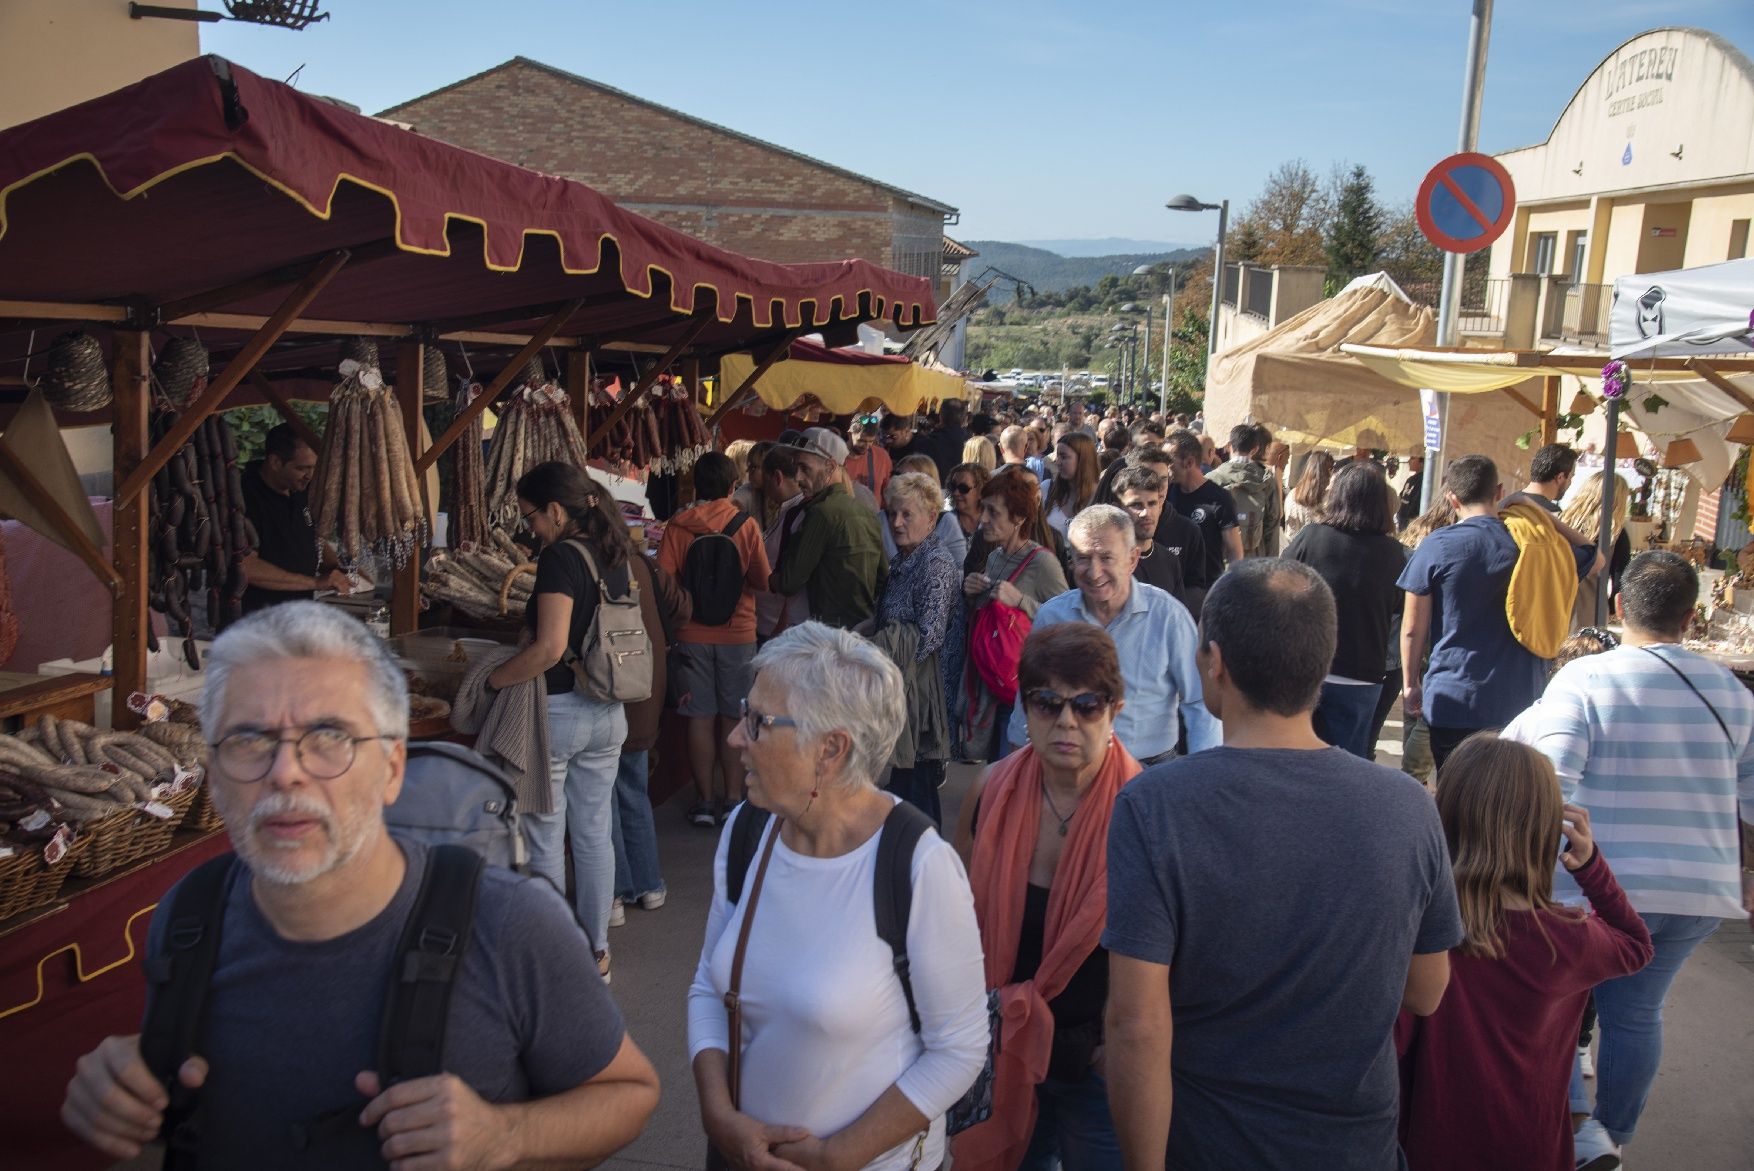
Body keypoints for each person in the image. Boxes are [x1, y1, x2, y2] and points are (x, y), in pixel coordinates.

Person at [60, 602, 660, 1167]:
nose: (286, 773)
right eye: (249, 740)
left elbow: (629, 1093)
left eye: (330, 738)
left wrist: (505, 1137)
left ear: (392, 770)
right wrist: (126, 1087)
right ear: (213, 778)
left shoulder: (510, 926)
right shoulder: (188, 918)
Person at [1103, 559, 1463, 1171]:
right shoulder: (1407, 807)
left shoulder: (1155, 805)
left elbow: (1135, 1025)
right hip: (1355, 1147)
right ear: (1322, 667)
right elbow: (1427, 992)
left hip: (1206, 1145)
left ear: (1215, 661)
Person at [687, 623, 989, 1171]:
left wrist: (835, 1157)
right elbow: (710, 985)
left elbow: (960, 1048)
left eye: (757, 721)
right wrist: (719, 1119)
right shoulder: (747, 831)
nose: (735, 737)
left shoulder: (917, 865)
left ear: (830, 749)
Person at [1502, 551, 1754, 1168]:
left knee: (1560, 1007)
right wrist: (1747, 877)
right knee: (1637, 1015)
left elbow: (1550, 785)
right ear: (1691, 618)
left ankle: (1566, 1129)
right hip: (1697, 891)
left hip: (1596, 889)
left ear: (1616, 606)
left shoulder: (1586, 680)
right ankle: (1606, 1137)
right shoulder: (1735, 693)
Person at [1398, 734, 1652, 1171]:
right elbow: (1636, 945)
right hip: (1532, 1146)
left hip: (1428, 1145)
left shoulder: (1418, 930)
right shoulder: (1570, 938)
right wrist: (1592, 868)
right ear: (1545, 828)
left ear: (1448, 815)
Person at [950, 625, 1141, 1171]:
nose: (1065, 722)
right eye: (1046, 703)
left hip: (1094, 1066)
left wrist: (1113, 1047)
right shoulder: (989, 792)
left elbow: (1174, 952)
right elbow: (950, 920)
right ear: (1024, 707)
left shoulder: (1145, 813)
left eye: (1086, 705)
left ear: (1115, 709)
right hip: (1000, 1048)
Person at [483, 463, 633, 979]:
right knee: (593, 834)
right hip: (609, 710)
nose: (531, 529)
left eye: (531, 517)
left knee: (546, 836)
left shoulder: (560, 558)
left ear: (555, 510)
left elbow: (548, 648)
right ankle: (596, 951)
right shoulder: (615, 552)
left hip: (561, 713)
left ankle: (555, 956)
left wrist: (495, 680)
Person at [1398, 455, 1597, 771]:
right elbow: (1592, 554)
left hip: (1453, 695)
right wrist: (1531, 507)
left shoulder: (1438, 545)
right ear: (1499, 490)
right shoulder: (1536, 545)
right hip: (1519, 700)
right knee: (1503, 803)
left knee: (1453, 793)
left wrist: (1410, 685)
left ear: (1452, 498)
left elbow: (1412, 628)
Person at [1005, 506, 1218, 764]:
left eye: (1106, 558)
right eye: (1083, 558)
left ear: (1132, 559)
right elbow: (1028, 697)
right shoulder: (1052, 617)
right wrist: (1017, 765)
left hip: (1147, 771)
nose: (1094, 573)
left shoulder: (1168, 617)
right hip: (1070, 773)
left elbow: (1199, 701)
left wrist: (1204, 772)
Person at [658, 452, 772, 829]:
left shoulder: (678, 526)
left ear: (696, 485)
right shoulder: (745, 525)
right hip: (737, 633)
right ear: (729, 487)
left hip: (690, 633)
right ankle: (734, 800)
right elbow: (762, 580)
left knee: (699, 718)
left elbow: (664, 581)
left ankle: (705, 801)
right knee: (732, 716)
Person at [1284, 462, 1406, 758]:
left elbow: (1277, 583)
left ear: (1337, 496)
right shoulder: (1395, 554)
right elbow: (1398, 608)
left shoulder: (1311, 537)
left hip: (1306, 667)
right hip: (1363, 675)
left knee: (1292, 760)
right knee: (1346, 767)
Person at [865, 472, 962, 823]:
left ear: (931, 517)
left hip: (922, 698)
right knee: (906, 786)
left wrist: (874, 652)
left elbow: (928, 638)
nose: (896, 522)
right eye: (892, 513)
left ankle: (923, 866)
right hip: (904, 689)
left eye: (907, 514)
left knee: (915, 788)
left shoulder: (935, 563)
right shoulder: (905, 559)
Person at [612, 492, 690, 926]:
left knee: (604, 794)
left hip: (609, 694)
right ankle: (649, 884)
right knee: (633, 790)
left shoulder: (589, 568)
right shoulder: (645, 564)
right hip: (646, 690)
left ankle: (620, 889)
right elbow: (682, 607)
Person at [960, 470, 1069, 762]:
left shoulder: (1043, 563)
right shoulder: (995, 556)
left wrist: (1021, 601)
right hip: (989, 686)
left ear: (1019, 518)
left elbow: (1068, 624)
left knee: (1007, 773)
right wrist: (973, 594)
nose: (983, 518)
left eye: (993, 512)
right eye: (983, 509)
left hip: (1020, 692)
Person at [771, 428, 888, 630]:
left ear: (830, 466)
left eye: (804, 468)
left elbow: (789, 583)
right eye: (795, 468)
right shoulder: (866, 512)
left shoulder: (822, 513)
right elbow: (883, 580)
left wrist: (772, 579)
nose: (797, 477)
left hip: (829, 634)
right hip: (861, 630)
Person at [239, 423, 351, 613]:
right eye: (302, 468)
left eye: (314, 467)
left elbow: (312, 537)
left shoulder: (300, 490)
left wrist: (337, 568)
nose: (309, 476)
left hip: (298, 613)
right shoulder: (243, 497)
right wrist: (315, 582)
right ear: (275, 462)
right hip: (256, 618)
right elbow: (245, 566)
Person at [1163, 429, 1242, 587]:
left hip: (1205, 589)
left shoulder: (1220, 498)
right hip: (1171, 586)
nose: (1164, 467)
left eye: (1168, 462)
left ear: (1189, 462)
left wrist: (1230, 586)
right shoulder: (1165, 493)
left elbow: (1234, 551)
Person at [753, 445, 810, 640]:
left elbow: (793, 577)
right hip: (769, 620)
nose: (766, 492)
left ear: (777, 478)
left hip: (776, 626)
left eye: (766, 483)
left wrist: (782, 624)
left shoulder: (798, 515)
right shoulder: (788, 511)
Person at [1560, 471, 1630, 630]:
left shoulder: (1562, 522)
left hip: (1557, 601)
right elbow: (1621, 579)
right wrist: (1612, 607)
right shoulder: (1615, 534)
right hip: (1591, 608)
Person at [1110, 463, 1185, 606]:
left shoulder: (1170, 562)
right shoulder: (1106, 563)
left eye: (1152, 504)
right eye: (1136, 505)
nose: (1146, 513)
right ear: (1116, 509)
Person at [1206, 425, 1281, 558]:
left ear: (1229, 445)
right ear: (1255, 449)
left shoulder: (1212, 479)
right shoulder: (1267, 481)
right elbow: (1272, 526)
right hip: (1253, 562)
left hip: (1219, 561)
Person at [1042, 431, 1100, 540]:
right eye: (1057, 456)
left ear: (1083, 459)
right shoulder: (1047, 489)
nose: (1057, 462)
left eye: (1063, 457)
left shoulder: (1101, 496)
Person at [1506, 442, 1578, 514]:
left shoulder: (1504, 504)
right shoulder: (1552, 513)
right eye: (1571, 477)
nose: (1571, 483)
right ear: (1560, 478)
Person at [1283, 449, 1334, 540]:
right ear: (1329, 471)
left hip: (1295, 548)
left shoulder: (1292, 495)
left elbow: (1290, 532)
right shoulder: (1330, 498)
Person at [847, 416, 894, 502]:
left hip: (874, 513)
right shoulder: (837, 455)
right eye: (861, 441)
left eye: (871, 441)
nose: (866, 446)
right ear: (850, 434)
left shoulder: (882, 456)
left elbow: (888, 491)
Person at [1396, 452, 1426, 530]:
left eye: (1412, 458)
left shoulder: (1423, 481)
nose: (1409, 461)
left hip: (1411, 523)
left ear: (1422, 462)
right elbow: (1401, 497)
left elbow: (1416, 503)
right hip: (1402, 521)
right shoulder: (1411, 479)